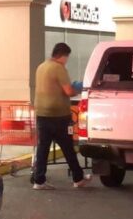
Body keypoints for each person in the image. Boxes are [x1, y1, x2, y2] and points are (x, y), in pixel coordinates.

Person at [31, 43, 90, 190]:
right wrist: (79, 88)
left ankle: (39, 181)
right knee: (68, 148)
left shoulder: (41, 66)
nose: (67, 60)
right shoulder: (59, 68)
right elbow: (69, 91)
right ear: (63, 55)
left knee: (43, 149)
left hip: (42, 113)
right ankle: (78, 178)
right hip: (58, 115)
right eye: (67, 57)